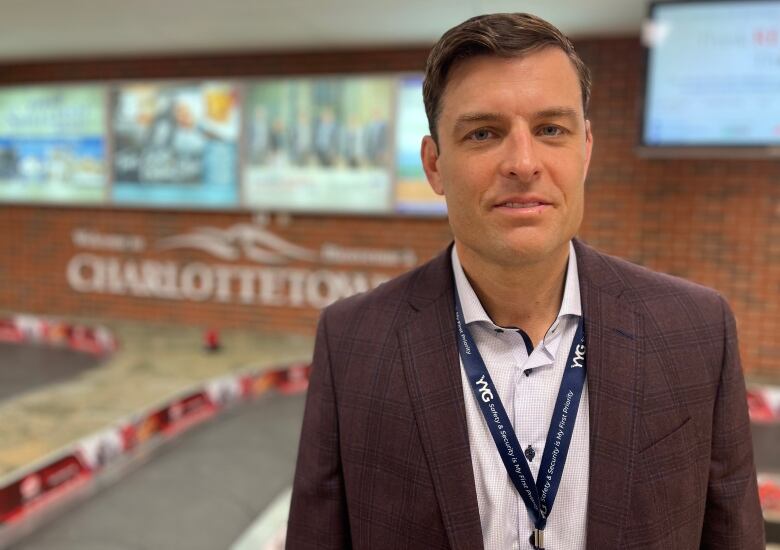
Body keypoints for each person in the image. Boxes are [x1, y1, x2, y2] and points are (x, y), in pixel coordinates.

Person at [286, 12, 764, 550]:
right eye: (484, 132)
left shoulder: (695, 330)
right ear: (434, 164)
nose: (522, 162)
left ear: (585, 149)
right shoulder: (353, 342)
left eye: (550, 129)